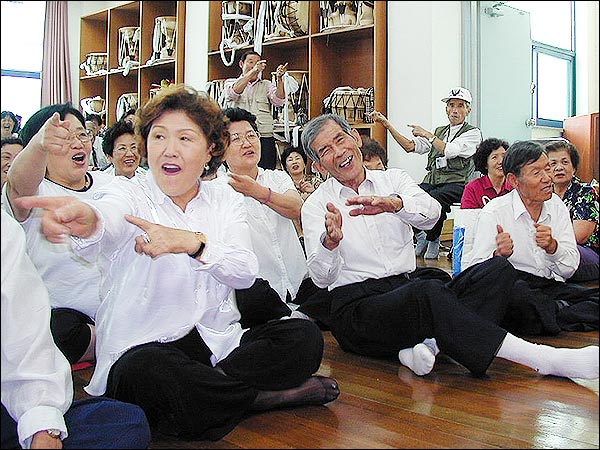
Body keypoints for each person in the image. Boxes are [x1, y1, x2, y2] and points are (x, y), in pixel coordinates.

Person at [14, 85, 339, 442]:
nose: (169, 150)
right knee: (144, 373)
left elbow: (245, 271)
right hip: (148, 347)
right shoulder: (131, 191)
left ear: (210, 149)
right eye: (158, 137)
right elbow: (108, 215)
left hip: (216, 341)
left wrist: (194, 244)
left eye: (185, 138)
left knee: (303, 336)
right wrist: (89, 219)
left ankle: (213, 397)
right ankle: (258, 397)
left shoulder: (225, 199)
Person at [299, 113, 598, 380]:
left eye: (340, 139)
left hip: (404, 289)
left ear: (354, 137)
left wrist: (396, 205)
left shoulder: (394, 179)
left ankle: (429, 345)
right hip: (358, 309)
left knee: (498, 271)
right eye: (326, 150)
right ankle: (544, 359)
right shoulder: (315, 206)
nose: (339, 152)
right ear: (317, 164)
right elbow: (323, 279)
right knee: (425, 292)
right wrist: (330, 243)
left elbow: (431, 215)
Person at [1, 208, 152, 450]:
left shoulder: (4, 230)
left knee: (125, 424)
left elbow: (21, 335)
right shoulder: (32, 197)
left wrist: (42, 426)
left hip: (84, 322)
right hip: (64, 318)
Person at [2, 102, 115, 366]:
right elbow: (18, 180)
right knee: (52, 330)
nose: (77, 144)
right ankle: (108, 341)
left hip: (121, 308)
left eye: (81, 134)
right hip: (69, 320)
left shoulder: (110, 184)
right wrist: (39, 144)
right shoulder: (34, 193)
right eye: (64, 138)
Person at [469, 140, 598, 335]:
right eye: (536, 173)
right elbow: (475, 276)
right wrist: (498, 255)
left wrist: (553, 247)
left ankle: (550, 313)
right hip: (515, 286)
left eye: (547, 169)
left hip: (549, 286)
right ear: (513, 181)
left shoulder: (557, 206)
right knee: (519, 299)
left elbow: (570, 269)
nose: (548, 178)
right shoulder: (494, 212)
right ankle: (557, 312)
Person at [217, 107, 329, 328]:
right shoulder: (217, 189)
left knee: (337, 287)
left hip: (298, 280)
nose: (247, 143)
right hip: (260, 288)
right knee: (251, 299)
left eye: (251, 135)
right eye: (236, 139)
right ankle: (296, 318)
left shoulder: (277, 177)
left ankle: (293, 317)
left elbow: (297, 208)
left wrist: (257, 191)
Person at [369, 87, 482, 259]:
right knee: (406, 196)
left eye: (460, 106)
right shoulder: (440, 132)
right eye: (451, 105)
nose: (455, 110)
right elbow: (410, 146)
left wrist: (427, 135)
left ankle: (433, 238)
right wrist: (387, 125)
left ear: (468, 110)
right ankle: (419, 235)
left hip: (458, 184)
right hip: (433, 180)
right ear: (446, 109)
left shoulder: (473, 133)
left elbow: (449, 150)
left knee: (435, 199)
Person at [222, 51, 288, 170]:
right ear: (241, 64)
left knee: (266, 170)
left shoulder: (266, 84)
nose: (254, 66)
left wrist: (279, 79)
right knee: (238, 170)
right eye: (250, 62)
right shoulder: (230, 82)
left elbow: (279, 100)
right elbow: (234, 92)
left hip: (264, 135)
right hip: (237, 138)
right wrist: (253, 71)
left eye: (257, 63)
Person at [545, 140, 598, 282]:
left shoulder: (585, 192)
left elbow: (579, 237)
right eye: (553, 163)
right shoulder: (544, 194)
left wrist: (549, 244)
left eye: (564, 162)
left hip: (587, 251)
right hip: (554, 248)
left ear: (574, 168)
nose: (558, 168)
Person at [461, 137, 512, 209]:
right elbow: (468, 216)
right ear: (485, 164)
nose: (501, 161)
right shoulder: (473, 188)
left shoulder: (515, 187)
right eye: (494, 157)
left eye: (504, 156)